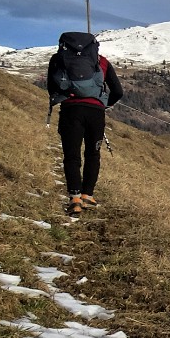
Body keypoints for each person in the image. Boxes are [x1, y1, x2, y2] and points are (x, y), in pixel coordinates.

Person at [47, 32, 123, 215]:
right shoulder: (101, 61)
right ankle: (88, 195)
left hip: (70, 111)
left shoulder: (58, 59)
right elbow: (118, 91)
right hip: (95, 113)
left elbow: (51, 86)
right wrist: (103, 103)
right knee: (93, 153)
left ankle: (74, 198)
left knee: (71, 154)